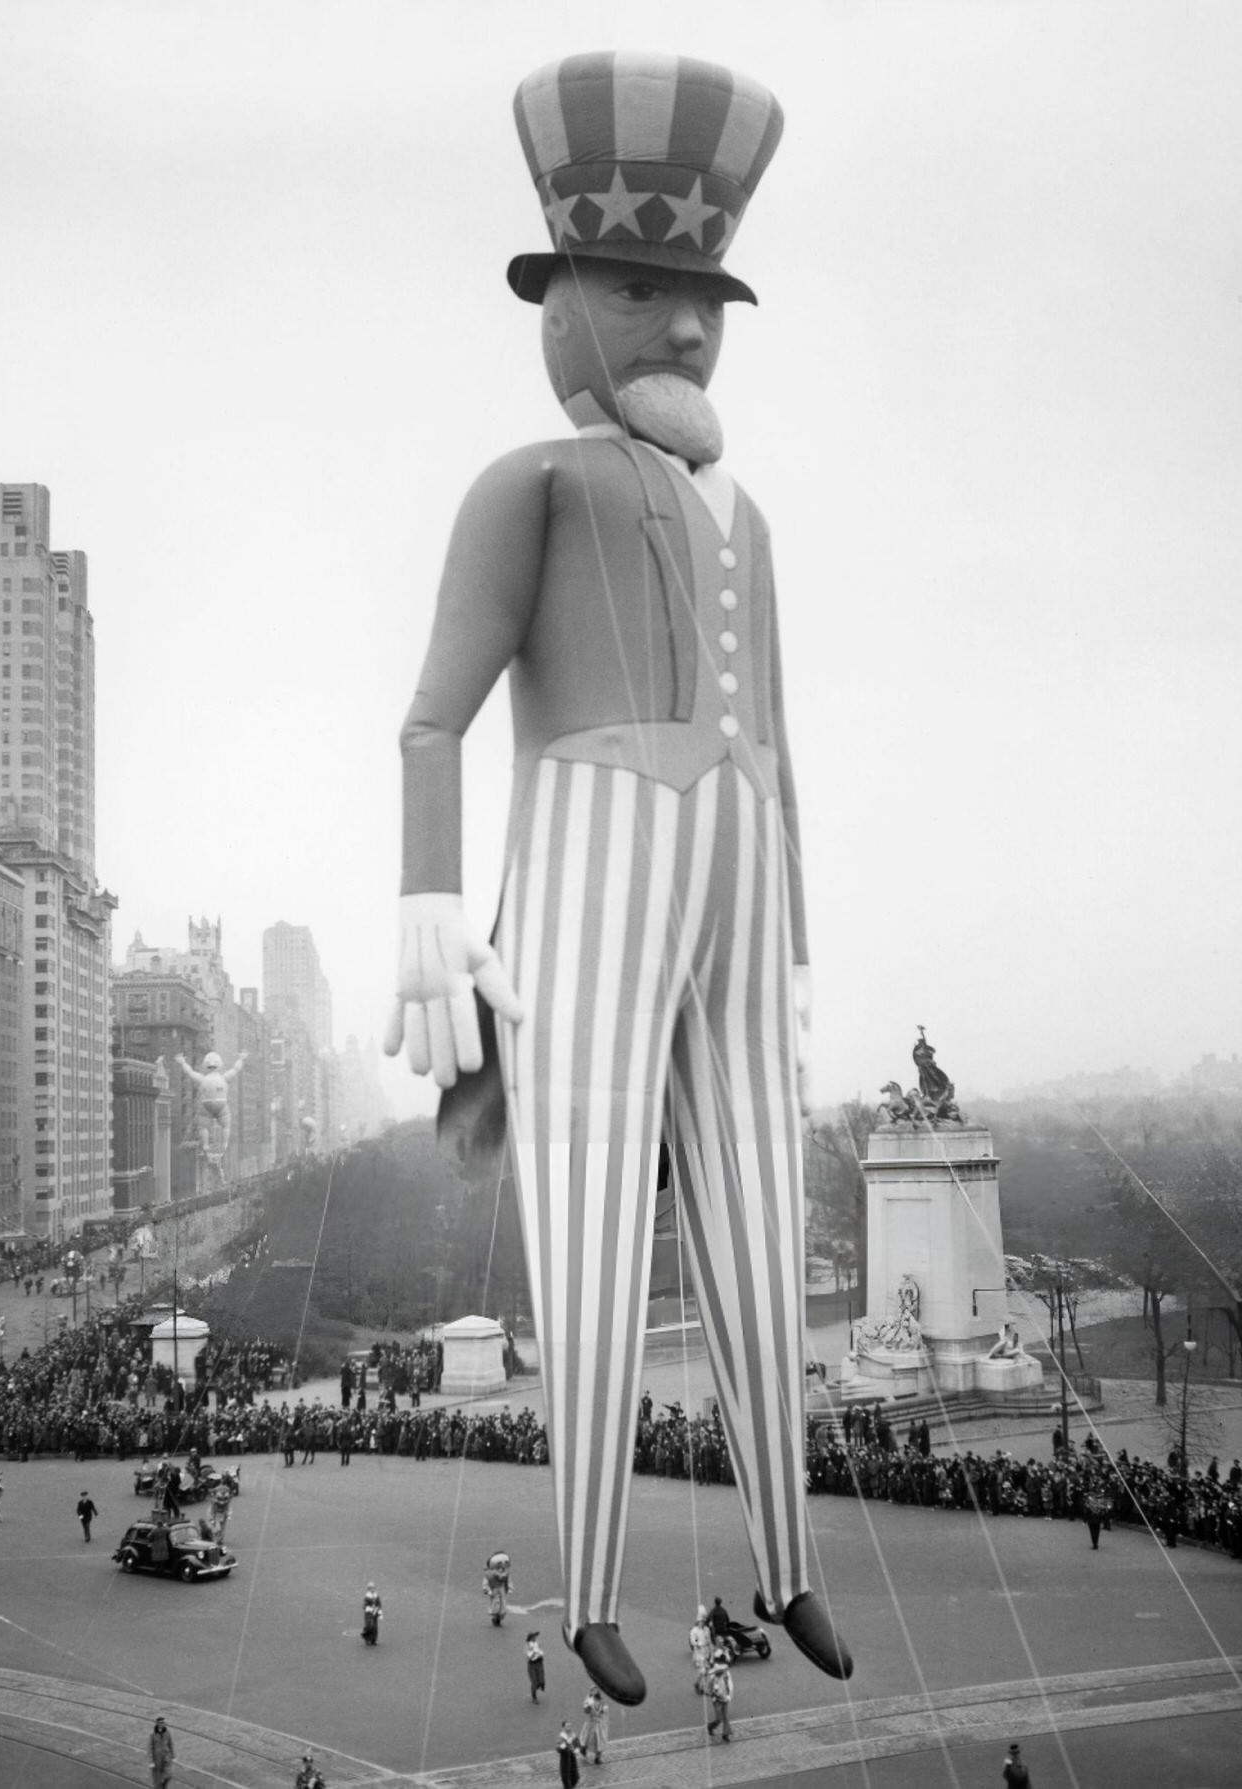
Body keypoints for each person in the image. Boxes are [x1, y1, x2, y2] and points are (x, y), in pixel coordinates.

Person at [385, 48, 850, 1706]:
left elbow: (782, 740)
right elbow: (434, 713)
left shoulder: (757, 524)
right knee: (584, 1229)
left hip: (735, 865)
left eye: (705, 295)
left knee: (760, 1217)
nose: (685, 327)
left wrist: (791, 934)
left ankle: (788, 1558)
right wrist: (431, 897)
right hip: (589, 853)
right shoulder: (531, 483)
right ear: (570, 294)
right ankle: (586, 1581)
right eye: (648, 288)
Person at [706, 1649, 733, 1742]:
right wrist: (712, 1695)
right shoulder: (713, 1676)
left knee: (725, 1716)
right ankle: (710, 1726)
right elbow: (710, 1687)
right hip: (716, 1699)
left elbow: (730, 1685)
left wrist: (729, 1695)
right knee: (719, 1718)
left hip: (725, 1697)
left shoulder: (726, 1674)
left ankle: (726, 1734)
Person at [578, 1685, 609, 1764]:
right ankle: (583, 1749)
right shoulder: (589, 1702)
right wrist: (588, 1706)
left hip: (600, 1725)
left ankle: (597, 1758)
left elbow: (604, 1711)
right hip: (591, 1724)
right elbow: (585, 1710)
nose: (596, 1692)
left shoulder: (602, 1702)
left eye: (597, 1691)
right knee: (588, 1738)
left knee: (600, 1740)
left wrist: (604, 1711)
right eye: (594, 1691)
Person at [689, 1606, 713, 1694]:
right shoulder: (694, 1631)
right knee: (703, 1671)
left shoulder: (707, 1630)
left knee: (706, 1672)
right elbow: (693, 1640)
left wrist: (711, 1653)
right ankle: (704, 1689)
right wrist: (697, 1643)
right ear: (698, 1622)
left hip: (706, 1651)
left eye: (703, 1622)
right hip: (698, 1652)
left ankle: (697, 1684)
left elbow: (709, 1641)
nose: (702, 1623)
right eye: (701, 1622)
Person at [149, 1716, 175, 1789]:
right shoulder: (152, 1734)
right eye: (161, 1723)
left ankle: (163, 1786)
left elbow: (170, 1744)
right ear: (157, 1723)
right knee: (157, 1781)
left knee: (168, 1776)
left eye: (163, 1722)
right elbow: (150, 1748)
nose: (162, 1724)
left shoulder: (167, 1733)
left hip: (166, 1758)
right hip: (156, 1760)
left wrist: (173, 1756)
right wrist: (151, 1761)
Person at [556, 1720, 582, 1788]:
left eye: (570, 1726)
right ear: (563, 1727)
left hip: (572, 1757)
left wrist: (578, 1748)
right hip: (565, 1759)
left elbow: (577, 1742)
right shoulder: (561, 1737)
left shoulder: (572, 1734)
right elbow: (558, 1748)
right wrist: (564, 1745)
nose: (569, 1727)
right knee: (566, 1777)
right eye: (567, 1726)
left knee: (576, 1777)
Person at [525, 1630, 546, 1702]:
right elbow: (529, 1656)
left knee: (541, 1680)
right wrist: (534, 1652)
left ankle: (541, 1685)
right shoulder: (528, 1646)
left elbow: (541, 1652)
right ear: (530, 1638)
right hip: (532, 1665)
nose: (535, 1637)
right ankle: (534, 1698)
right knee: (534, 1682)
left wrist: (540, 1653)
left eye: (535, 1636)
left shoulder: (536, 1643)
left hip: (539, 1663)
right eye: (534, 1636)